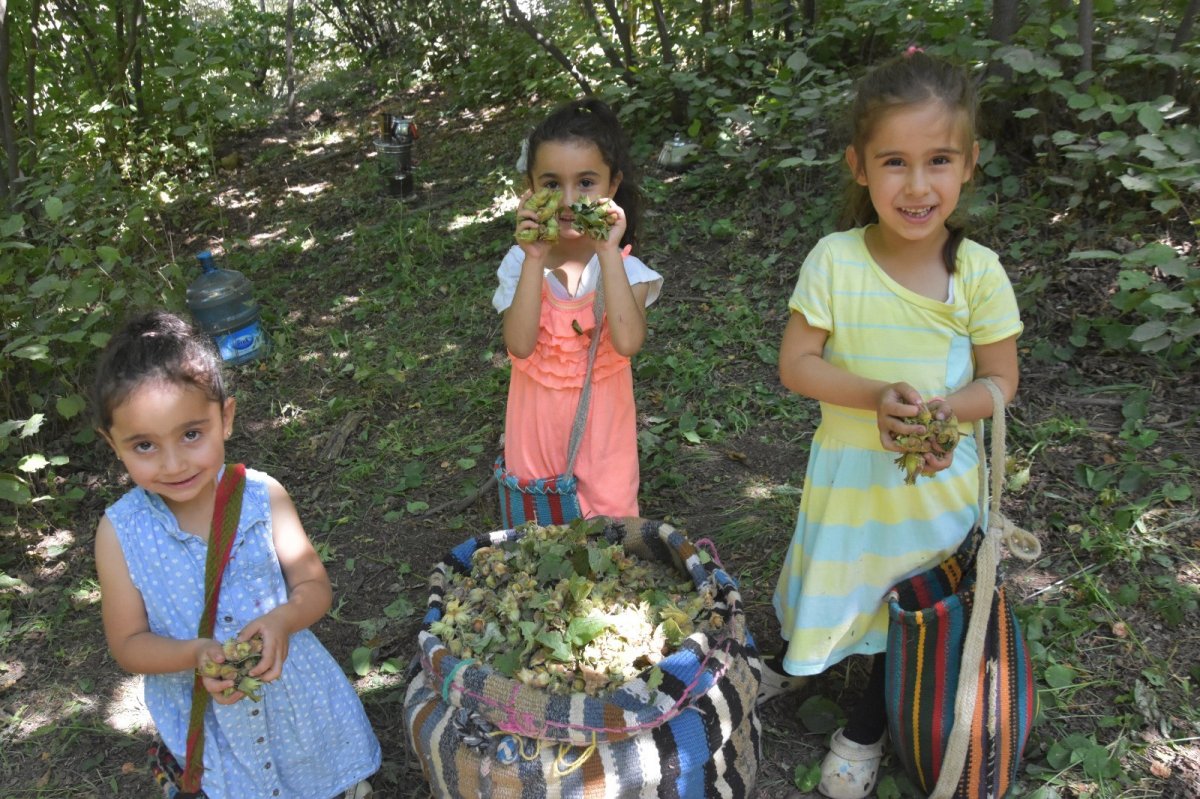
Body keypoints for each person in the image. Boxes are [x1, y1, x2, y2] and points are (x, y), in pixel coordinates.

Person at [766, 50, 1023, 799]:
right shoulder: (835, 261)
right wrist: (874, 393)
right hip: (852, 477)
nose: (917, 186)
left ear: (969, 164)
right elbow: (798, 364)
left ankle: (867, 724)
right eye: (895, 162)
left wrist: (950, 409)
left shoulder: (977, 271)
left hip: (933, 484)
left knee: (909, 600)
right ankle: (798, 652)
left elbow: (1001, 380)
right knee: (848, 574)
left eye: (938, 160)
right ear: (859, 166)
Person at [91, 310, 380, 799]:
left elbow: (313, 585)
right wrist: (195, 654)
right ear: (113, 444)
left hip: (296, 702)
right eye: (144, 445)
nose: (174, 463)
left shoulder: (264, 498)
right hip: (207, 720)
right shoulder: (120, 533)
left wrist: (284, 620)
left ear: (225, 417)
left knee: (320, 779)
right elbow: (128, 643)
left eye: (190, 434)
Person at [493, 97, 662, 519]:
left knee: (609, 540)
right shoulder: (520, 263)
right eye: (552, 184)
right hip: (535, 433)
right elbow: (519, 344)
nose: (569, 200)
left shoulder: (627, 270)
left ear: (612, 185)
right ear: (529, 189)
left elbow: (627, 343)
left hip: (603, 439)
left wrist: (607, 252)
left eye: (586, 182)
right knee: (539, 540)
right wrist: (534, 259)